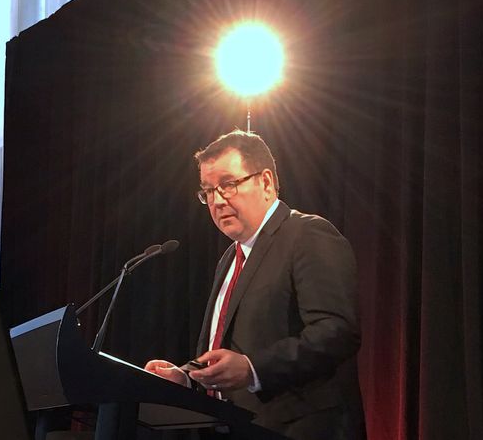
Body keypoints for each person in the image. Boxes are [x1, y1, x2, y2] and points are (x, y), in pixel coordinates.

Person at [145, 130, 365, 440]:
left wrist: (253, 369)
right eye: (207, 191)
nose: (217, 200)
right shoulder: (229, 259)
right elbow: (228, 351)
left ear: (265, 182)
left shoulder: (308, 234)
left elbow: (336, 331)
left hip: (300, 428)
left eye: (228, 184)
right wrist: (186, 376)